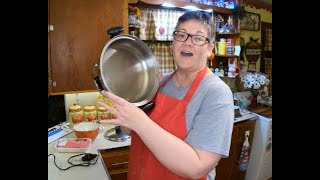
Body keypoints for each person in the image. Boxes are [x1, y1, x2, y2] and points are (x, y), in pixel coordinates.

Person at [98, 11, 234, 180]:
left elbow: (197, 167)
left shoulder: (216, 94)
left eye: (198, 38)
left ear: (209, 49)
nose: (188, 43)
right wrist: (124, 97)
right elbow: (130, 130)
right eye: (181, 35)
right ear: (173, 43)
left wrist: (140, 122)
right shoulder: (158, 83)